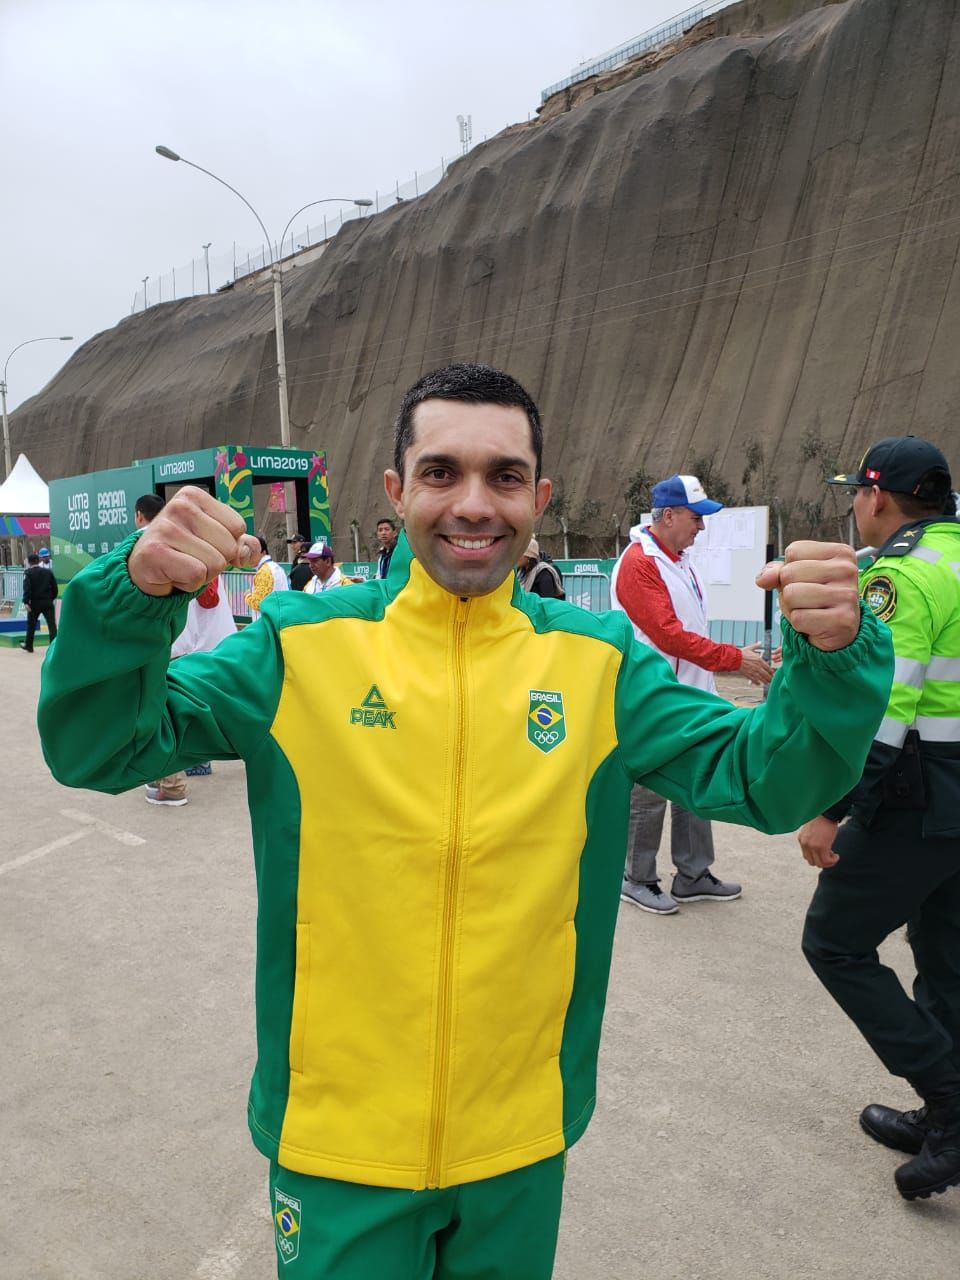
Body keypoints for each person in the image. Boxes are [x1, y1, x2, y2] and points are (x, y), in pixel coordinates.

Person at [37, 363, 891, 1279]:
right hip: (337, 1140)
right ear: (397, 491)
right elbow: (99, 746)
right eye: (442, 473)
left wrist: (835, 657)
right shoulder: (296, 645)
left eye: (505, 476)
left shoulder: (598, 662)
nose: (475, 503)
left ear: (540, 498)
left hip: (517, 1136)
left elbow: (762, 778)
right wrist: (132, 596)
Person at [798, 435, 960, 1202]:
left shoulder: (902, 574)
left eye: (856, 494)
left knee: (834, 941)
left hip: (919, 793)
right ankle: (942, 1113)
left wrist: (831, 810)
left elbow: (886, 709)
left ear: (877, 497)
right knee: (945, 951)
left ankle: (952, 1102)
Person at [611, 475, 775, 914]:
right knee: (649, 790)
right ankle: (637, 877)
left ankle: (693, 874)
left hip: (689, 694)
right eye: (696, 517)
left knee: (697, 781)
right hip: (654, 699)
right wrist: (733, 659)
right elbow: (669, 635)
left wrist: (733, 656)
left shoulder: (678, 560)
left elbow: (689, 631)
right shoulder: (640, 563)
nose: (701, 527)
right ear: (668, 516)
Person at [134, 493, 189, 807]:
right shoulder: (180, 541)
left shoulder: (140, 543)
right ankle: (162, 777)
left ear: (139, 515)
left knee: (157, 711)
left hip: (151, 645)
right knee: (167, 706)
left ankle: (172, 784)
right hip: (176, 637)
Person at [172, 575, 238, 777]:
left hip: (199, 648)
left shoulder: (196, 572)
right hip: (215, 645)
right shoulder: (209, 570)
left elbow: (207, 600)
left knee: (193, 705)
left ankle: (198, 759)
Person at [19, 552, 58, 652]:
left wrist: (26, 602)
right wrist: (51, 598)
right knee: (52, 624)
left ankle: (29, 645)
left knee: (31, 625)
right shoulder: (48, 572)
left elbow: (27, 588)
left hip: (34, 603)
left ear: (29, 562)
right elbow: (54, 587)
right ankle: (54, 647)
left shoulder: (28, 573)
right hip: (47, 602)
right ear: (38, 560)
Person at [245, 535, 289, 617]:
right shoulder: (275, 567)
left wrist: (247, 596)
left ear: (263, 552)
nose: (249, 556)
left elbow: (259, 603)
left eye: (252, 552)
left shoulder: (264, 571)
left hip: (267, 621)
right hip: (277, 617)